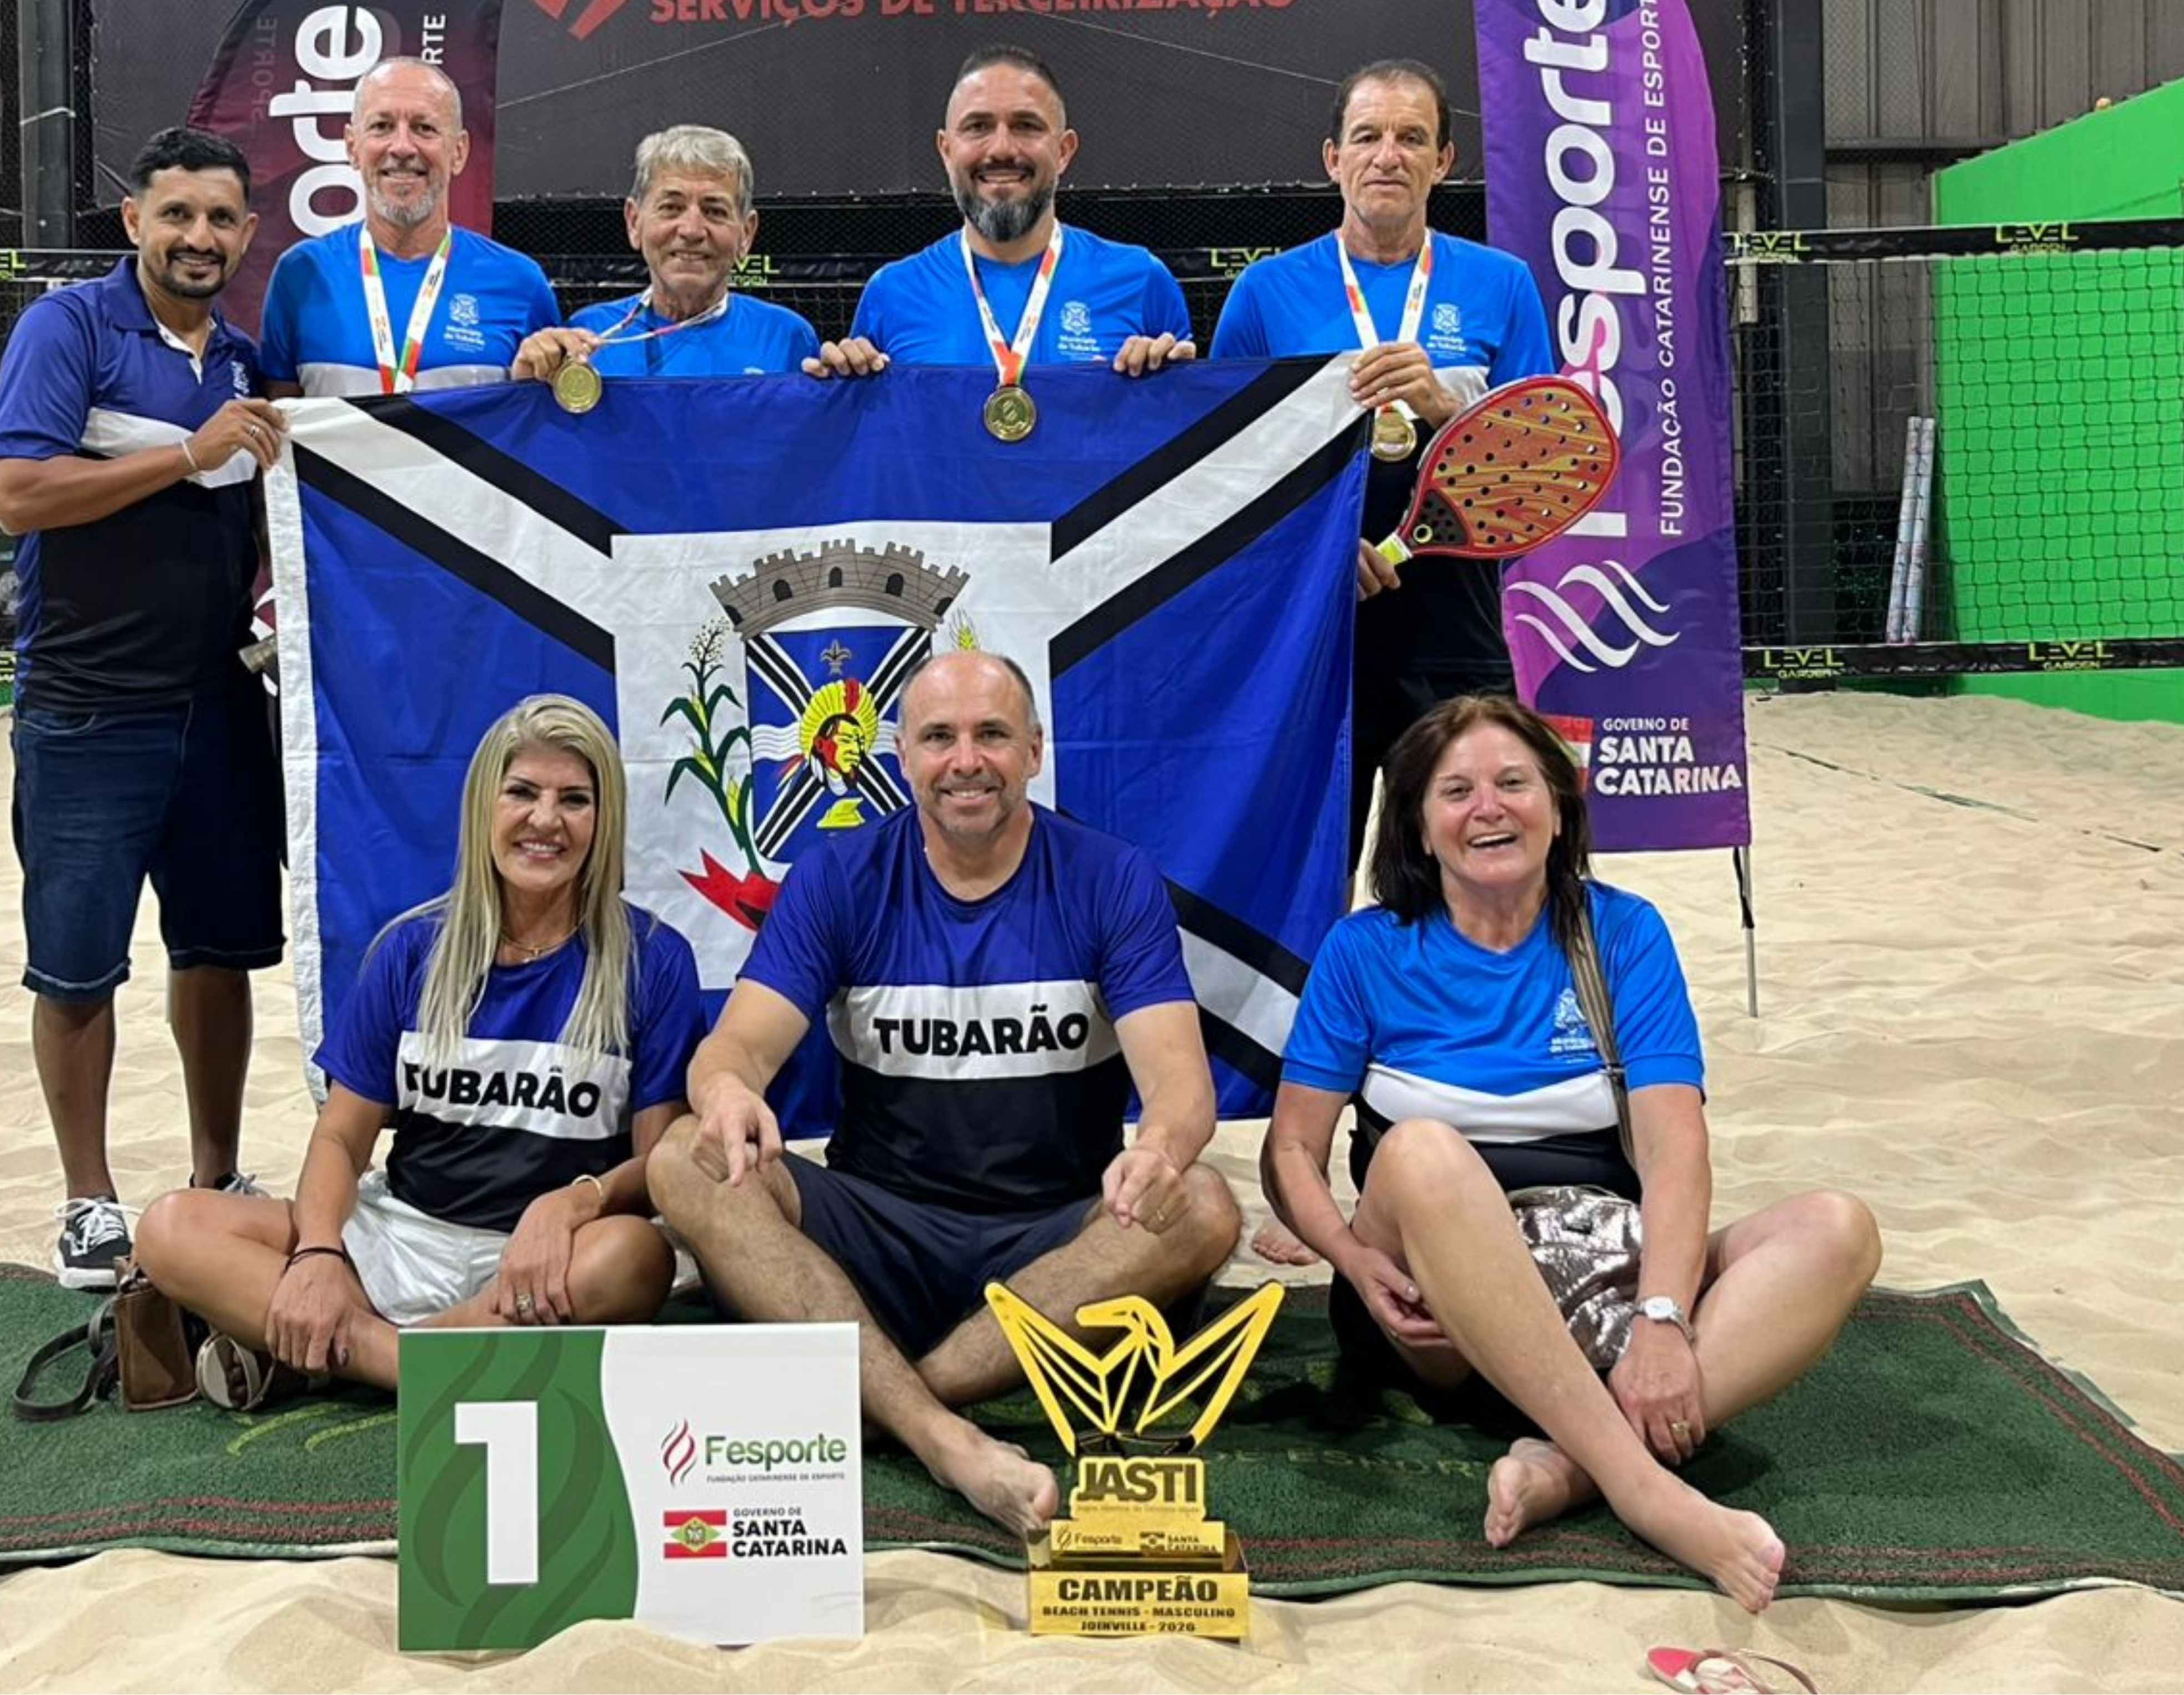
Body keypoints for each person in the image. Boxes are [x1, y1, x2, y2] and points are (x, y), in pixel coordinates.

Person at [1258, 694, 1882, 1614]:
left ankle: (1571, 1465)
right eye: (1456, 790)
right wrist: (1347, 1255)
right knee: (1425, 1151)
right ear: (1421, 829)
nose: (1489, 808)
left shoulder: (1622, 933)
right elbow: (1293, 1150)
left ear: (1557, 803)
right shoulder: (1365, 951)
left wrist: (1664, 1316)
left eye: (1514, 782)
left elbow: (1675, 1148)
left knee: (1838, 1227)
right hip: (1435, 1314)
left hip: (1606, 1274)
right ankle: (1645, 1487)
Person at [646, 650, 1242, 1537]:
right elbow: (731, 1047)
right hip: (878, 1231)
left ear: (1035, 750)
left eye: (992, 734)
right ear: (901, 755)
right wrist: (729, 1089)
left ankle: (899, 1393)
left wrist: (1155, 1148)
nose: (966, 759)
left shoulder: (1111, 876)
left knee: (1201, 1201)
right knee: (682, 1159)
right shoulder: (840, 876)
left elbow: (1182, 1087)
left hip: (1057, 1236)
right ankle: (939, 1436)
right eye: (939, 737)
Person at [136, 696, 701, 1402]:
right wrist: (316, 1254)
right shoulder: (411, 950)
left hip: (542, 1260)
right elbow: (341, 1139)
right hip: (399, 1232)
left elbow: (658, 1165)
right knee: (170, 1226)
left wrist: (572, 1205)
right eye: (522, 792)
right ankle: (414, 1363)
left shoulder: (653, 960)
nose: (545, 820)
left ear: (604, 819)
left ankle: (333, 1349)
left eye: (575, 799)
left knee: (635, 1259)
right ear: (483, 808)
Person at [0, 126, 292, 1289]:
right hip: (84, 710)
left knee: (217, 957)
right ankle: (88, 1200)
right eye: (178, 216)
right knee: (74, 969)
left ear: (246, 233)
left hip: (217, 707)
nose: (199, 238)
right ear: (134, 222)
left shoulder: (243, 362)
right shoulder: (67, 329)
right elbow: (18, 495)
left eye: (220, 219)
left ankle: (215, 1181)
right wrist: (186, 456)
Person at [1213, 58, 1555, 876]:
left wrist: (1446, 408)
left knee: (1460, 869)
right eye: (1367, 136)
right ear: (1333, 158)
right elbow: (1226, 480)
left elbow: (1541, 473)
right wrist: (1317, 550)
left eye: (1411, 138)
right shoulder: (1265, 293)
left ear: (1444, 161)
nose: (1387, 155)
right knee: (1305, 877)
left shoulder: (1501, 285)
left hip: (1455, 637)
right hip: (1310, 637)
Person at [808, 46, 1195, 382]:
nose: (1001, 148)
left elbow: (1195, 451)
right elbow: (878, 450)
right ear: (946, 150)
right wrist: (838, 395)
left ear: (1063, 151)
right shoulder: (891, 294)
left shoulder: (1142, 281)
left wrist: (1165, 392)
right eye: (977, 127)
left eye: (1026, 126)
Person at [258, 58, 557, 398]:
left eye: (424, 128)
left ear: (459, 151)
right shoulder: (301, 275)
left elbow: (536, 428)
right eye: (382, 126)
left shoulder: (520, 283)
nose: (401, 147)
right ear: (352, 147)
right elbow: (280, 429)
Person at [511, 125, 817, 388]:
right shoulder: (586, 336)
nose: (692, 230)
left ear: (746, 234)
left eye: (715, 211)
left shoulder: (788, 338)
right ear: (634, 222)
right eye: (671, 207)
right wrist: (525, 386)